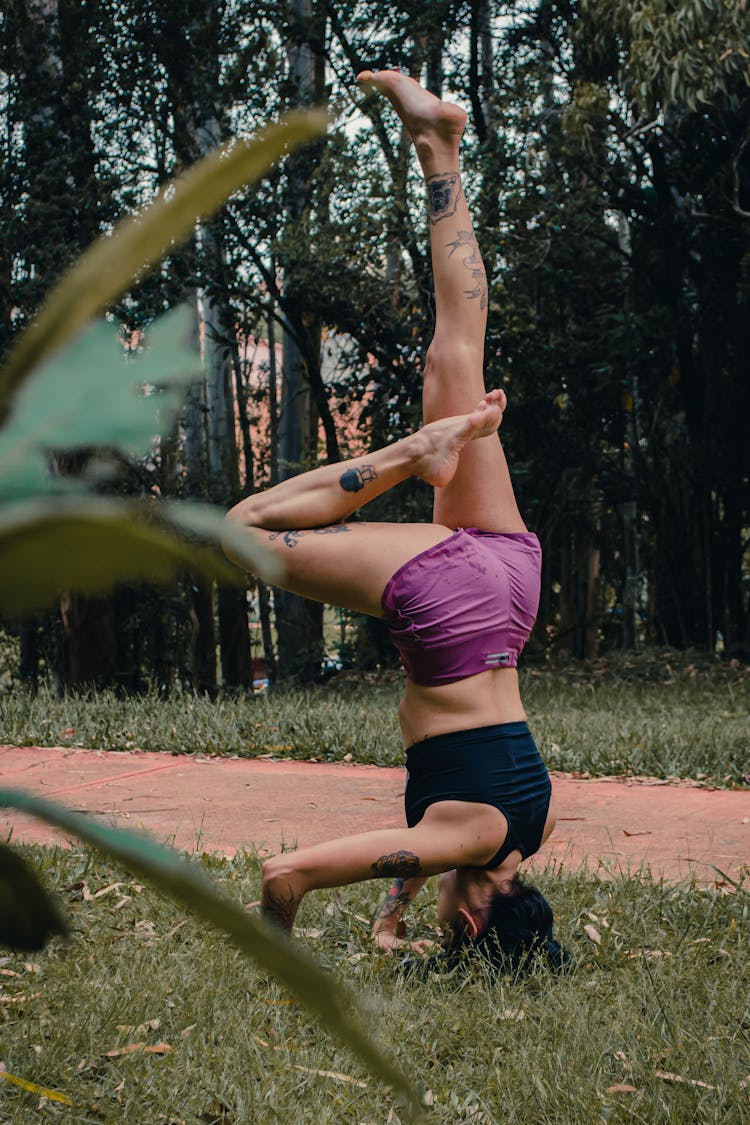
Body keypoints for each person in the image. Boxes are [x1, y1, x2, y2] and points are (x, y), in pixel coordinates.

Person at [223, 69, 567, 973]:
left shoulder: (520, 832)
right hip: (453, 614)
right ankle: (417, 453)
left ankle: (440, 147)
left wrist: (390, 914)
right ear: (473, 924)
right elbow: (286, 874)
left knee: (457, 353)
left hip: (509, 587)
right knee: (242, 530)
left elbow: (436, 826)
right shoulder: (462, 843)